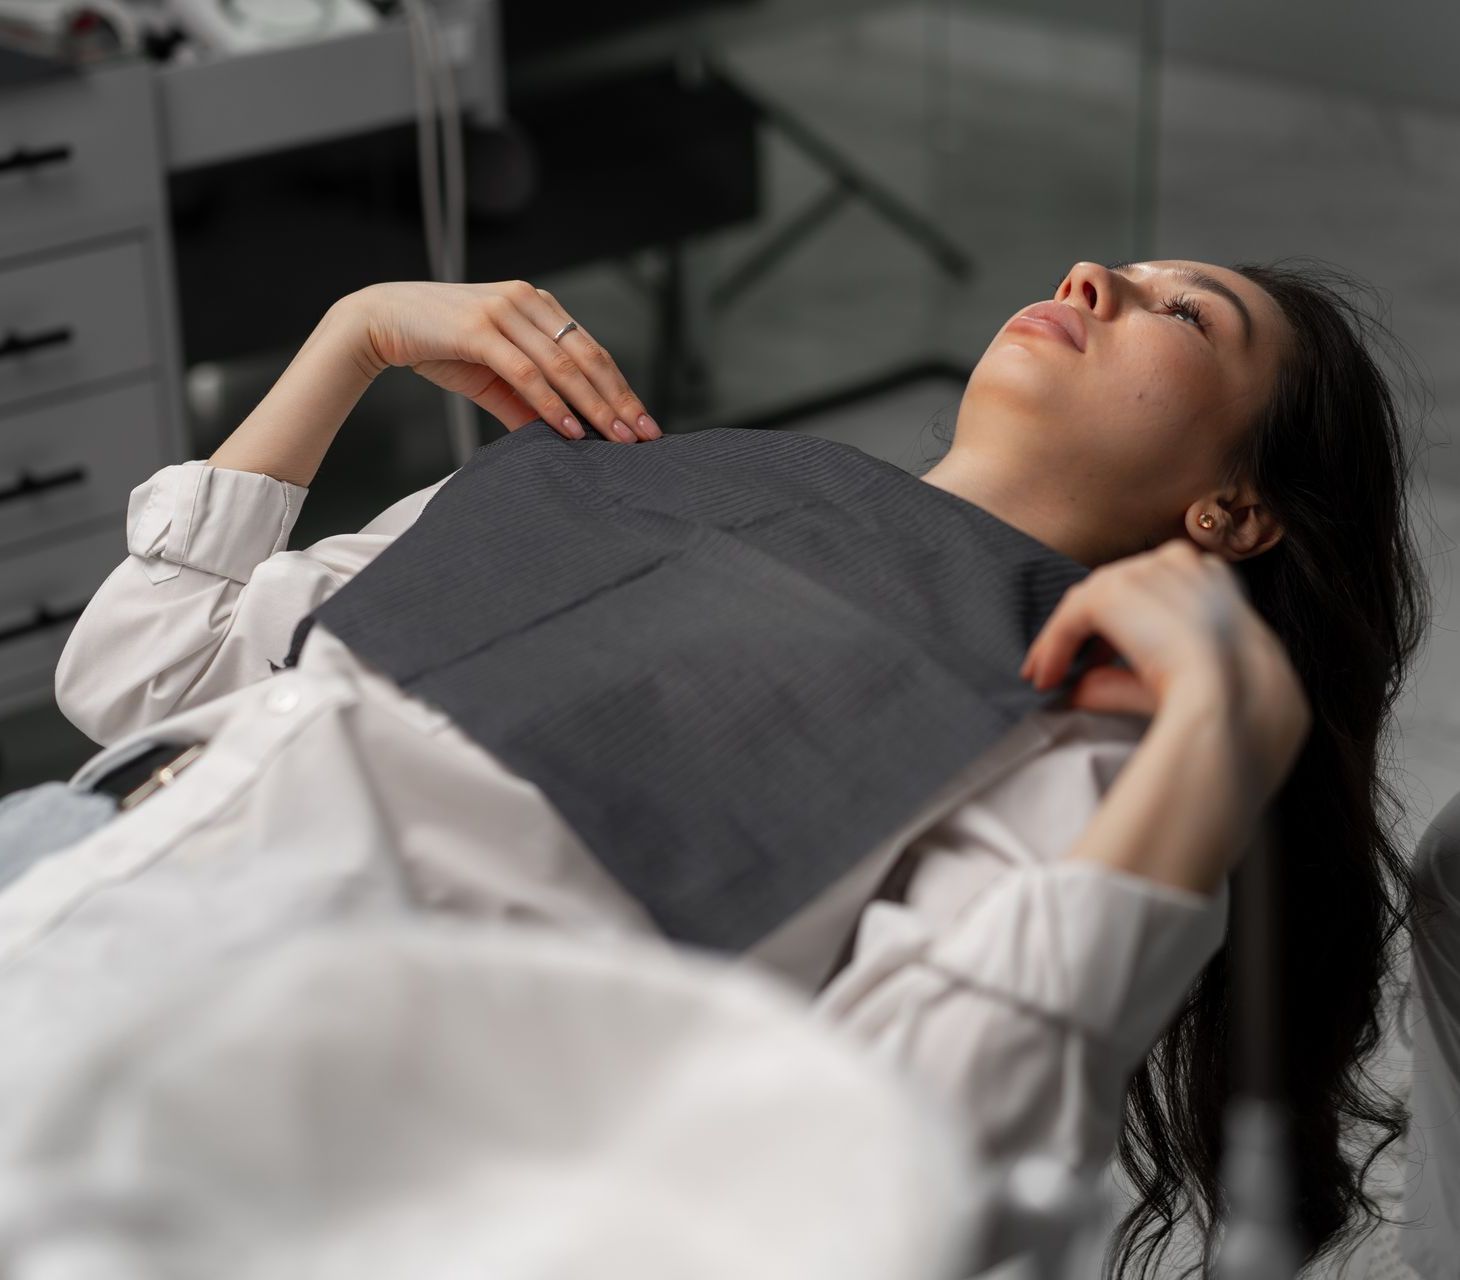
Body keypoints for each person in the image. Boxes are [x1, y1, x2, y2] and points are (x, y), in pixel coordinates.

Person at [0, 259, 1430, 1277]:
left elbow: (920, 1171)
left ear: (1232, 510)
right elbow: (146, 673)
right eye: (1121, 266)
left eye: (1188, 311)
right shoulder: (619, 467)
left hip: (253, 1118)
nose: (1097, 278)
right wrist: (354, 333)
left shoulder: (1059, 712)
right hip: (56, 883)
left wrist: (1197, 770)